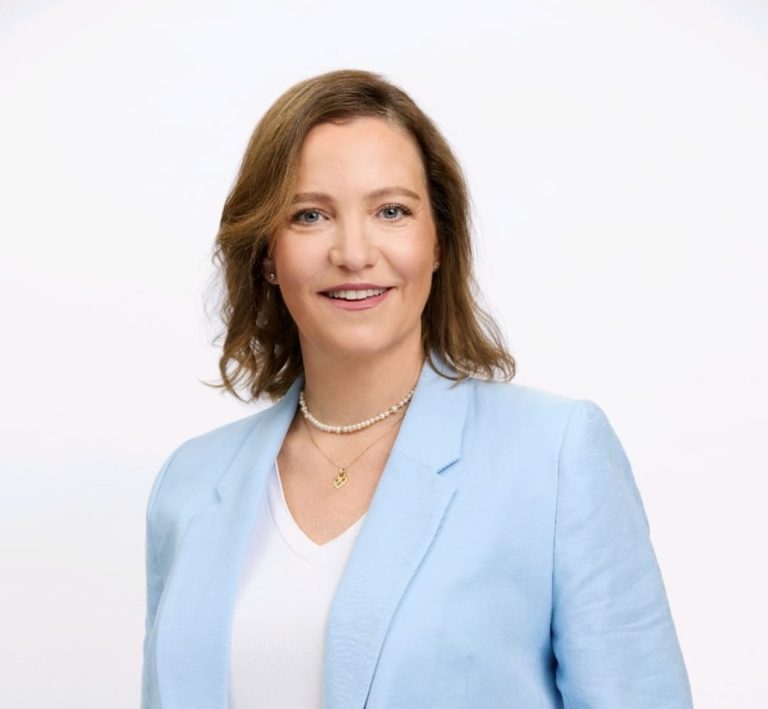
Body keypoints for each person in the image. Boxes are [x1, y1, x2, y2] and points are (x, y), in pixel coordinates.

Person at [141, 69, 693, 709]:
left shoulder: (555, 456)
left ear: (439, 241)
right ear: (267, 253)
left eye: (392, 211)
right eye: (310, 215)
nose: (353, 253)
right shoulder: (189, 481)